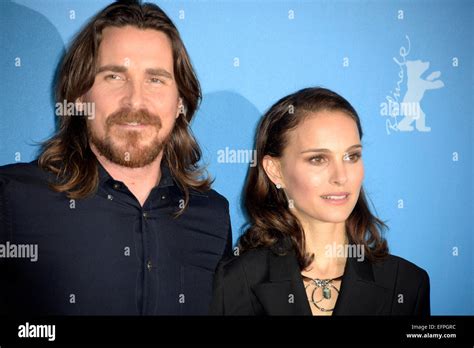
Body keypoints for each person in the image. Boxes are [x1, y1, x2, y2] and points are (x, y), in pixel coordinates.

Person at [0, 1, 232, 315]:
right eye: (114, 76)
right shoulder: (12, 198)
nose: (135, 100)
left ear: (181, 102)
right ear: (80, 95)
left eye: (155, 79)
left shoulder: (213, 214)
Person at [210, 87, 430, 316]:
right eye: (318, 159)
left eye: (351, 156)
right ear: (275, 170)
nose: (341, 177)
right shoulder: (234, 283)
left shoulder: (405, 284)